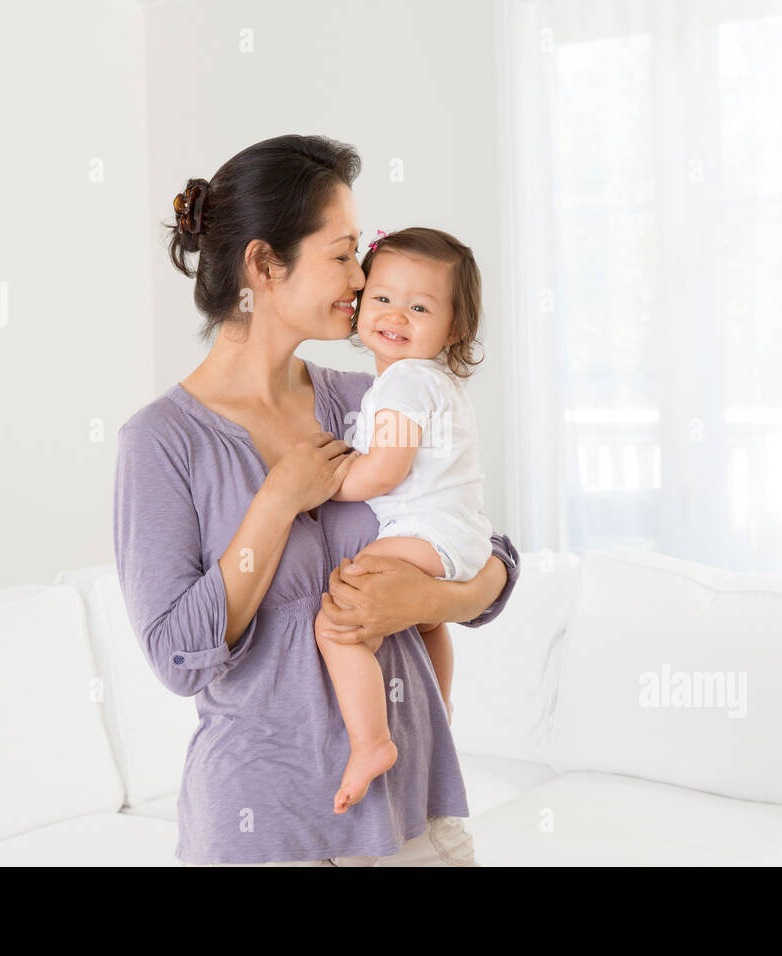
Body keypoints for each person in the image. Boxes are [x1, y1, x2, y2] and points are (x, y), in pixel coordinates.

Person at [112, 134, 521, 866]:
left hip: (411, 811)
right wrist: (276, 502)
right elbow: (178, 659)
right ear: (265, 266)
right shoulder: (162, 443)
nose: (362, 277)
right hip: (268, 826)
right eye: (341, 254)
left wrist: (425, 603)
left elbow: (489, 559)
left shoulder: (373, 398)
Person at [318, 227, 494, 815]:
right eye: (384, 298)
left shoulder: (405, 383)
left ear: (455, 327)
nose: (397, 315)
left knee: (341, 620)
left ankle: (371, 742)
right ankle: (439, 710)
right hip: (457, 536)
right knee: (423, 623)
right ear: (361, 301)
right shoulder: (424, 383)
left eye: (420, 307)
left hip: (425, 533)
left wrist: (323, 484)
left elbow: (385, 470)